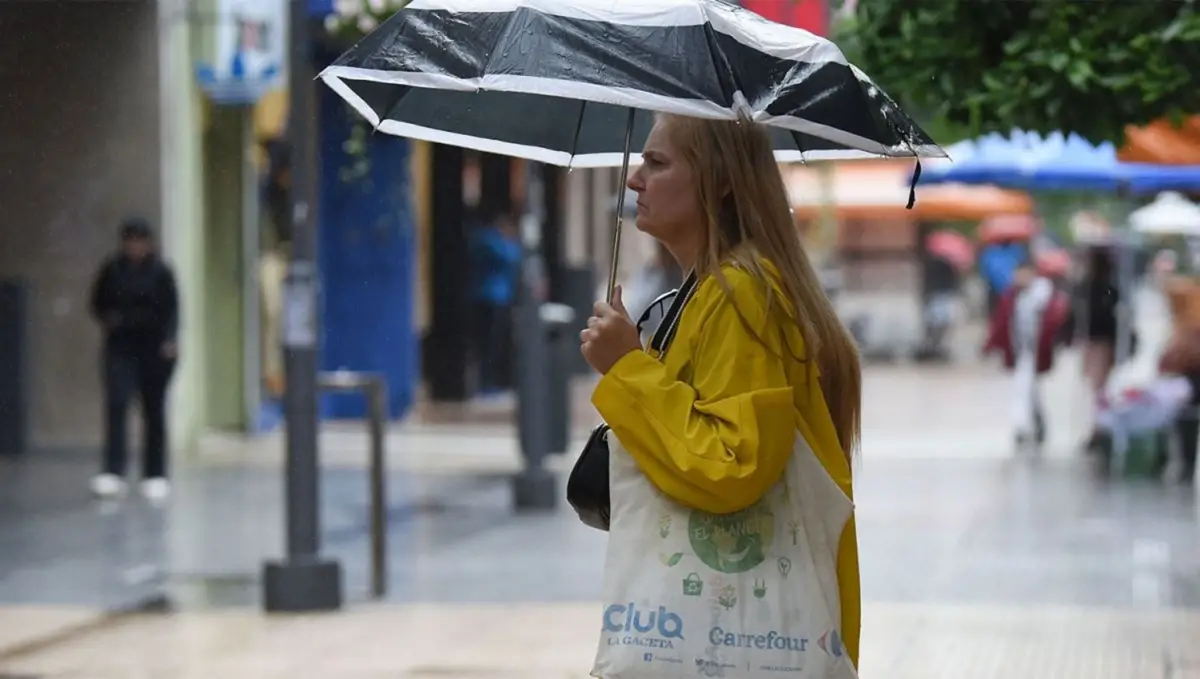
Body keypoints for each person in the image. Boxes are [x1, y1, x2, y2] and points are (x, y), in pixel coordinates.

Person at [579, 114, 863, 667]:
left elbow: (733, 465)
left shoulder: (742, 294)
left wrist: (626, 368)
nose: (635, 179)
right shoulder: (714, 289)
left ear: (723, 179)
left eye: (657, 163)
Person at [88, 218, 180, 500]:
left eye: (140, 241)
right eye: (130, 241)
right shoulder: (112, 269)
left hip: (153, 348)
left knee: (154, 410)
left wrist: (170, 339)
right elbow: (97, 302)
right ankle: (113, 471)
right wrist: (109, 319)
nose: (135, 247)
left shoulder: (161, 272)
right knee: (117, 404)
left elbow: (173, 309)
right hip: (121, 346)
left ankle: (155, 473)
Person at [983, 262, 1071, 447]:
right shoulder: (1011, 296)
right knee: (1024, 388)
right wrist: (990, 345)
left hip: (1036, 350)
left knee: (1026, 388)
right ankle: (1026, 426)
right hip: (1019, 349)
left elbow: (1057, 321)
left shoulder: (1045, 295)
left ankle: (1027, 426)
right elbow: (1001, 322)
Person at [468, 207, 522, 395]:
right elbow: (512, 257)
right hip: (490, 299)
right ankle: (486, 384)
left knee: (496, 343)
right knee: (488, 344)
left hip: (500, 298)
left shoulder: (491, 240)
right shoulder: (488, 240)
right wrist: (510, 240)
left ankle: (493, 382)